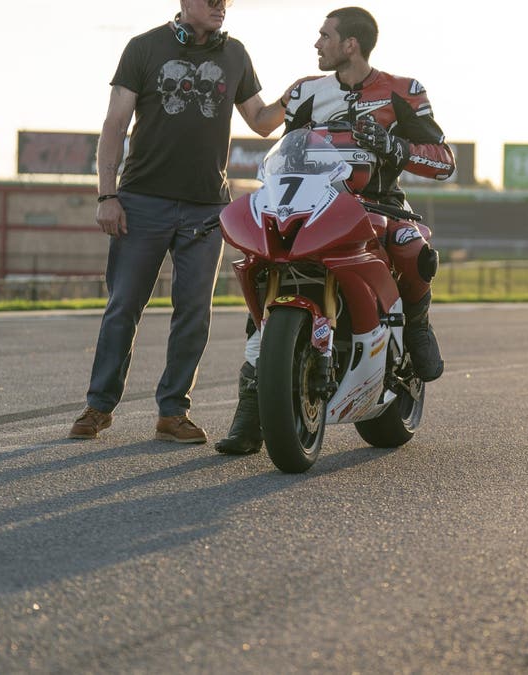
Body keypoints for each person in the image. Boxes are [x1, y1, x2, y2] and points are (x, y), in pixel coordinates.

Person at [215, 6, 456, 455]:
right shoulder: (306, 90)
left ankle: (418, 327)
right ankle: (251, 412)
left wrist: (393, 145)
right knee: (266, 269)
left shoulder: (403, 90)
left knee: (411, 245)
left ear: (351, 44)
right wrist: (226, 78)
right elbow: (277, 140)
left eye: (325, 36)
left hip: (378, 206)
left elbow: (443, 161)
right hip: (310, 206)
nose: (316, 43)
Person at [69, 0, 292, 443]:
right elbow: (114, 124)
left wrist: (299, 94)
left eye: (225, 2)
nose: (220, 7)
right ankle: (98, 407)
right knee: (123, 308)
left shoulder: (236, 55)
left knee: (193, 313)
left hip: (206, 208)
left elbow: (263, 122)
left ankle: (172, 413)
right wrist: (107, 195)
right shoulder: (144, 48)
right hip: (141, 202)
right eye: (211, 0)